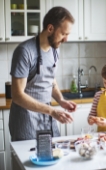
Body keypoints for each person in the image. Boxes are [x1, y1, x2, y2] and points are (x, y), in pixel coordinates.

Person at [9, 6, 77, 141]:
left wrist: (61, 100)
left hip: (47, 119)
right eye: (64, 34)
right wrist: (51, 111)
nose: (66, 39)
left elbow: (51, 79)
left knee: (55, 157)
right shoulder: (25, 51)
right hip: (26, 121)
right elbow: (17, 95)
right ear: (50, 28)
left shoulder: (55, 49)